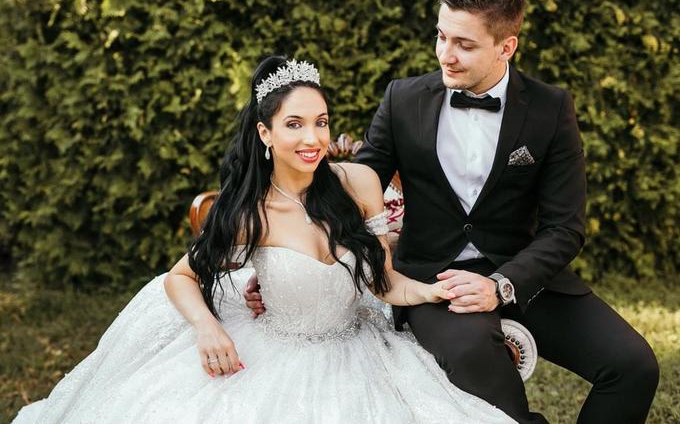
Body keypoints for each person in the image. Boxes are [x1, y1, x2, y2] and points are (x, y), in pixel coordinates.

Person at [245, 0, 659, 423]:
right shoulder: (403, 100)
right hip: (434, 282)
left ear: (506, 47)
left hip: (525, 276)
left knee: (633, 367)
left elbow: (565, 228)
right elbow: (345, 192)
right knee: (474, 354)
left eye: (464, 44)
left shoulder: (550, 109)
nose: (446, 54)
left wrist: (500, 285)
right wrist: (294, 264)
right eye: (441, 36)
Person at [13, 56, 515, 423]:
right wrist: (208, 328)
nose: (312, 139)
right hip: (275, 353)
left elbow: (383, 282)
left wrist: (431, 290)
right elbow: (180, 278)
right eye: (294, 125)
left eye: (320, 123)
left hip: (360, 345)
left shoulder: (358, 185)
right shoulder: (248, 213)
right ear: (265, 133)